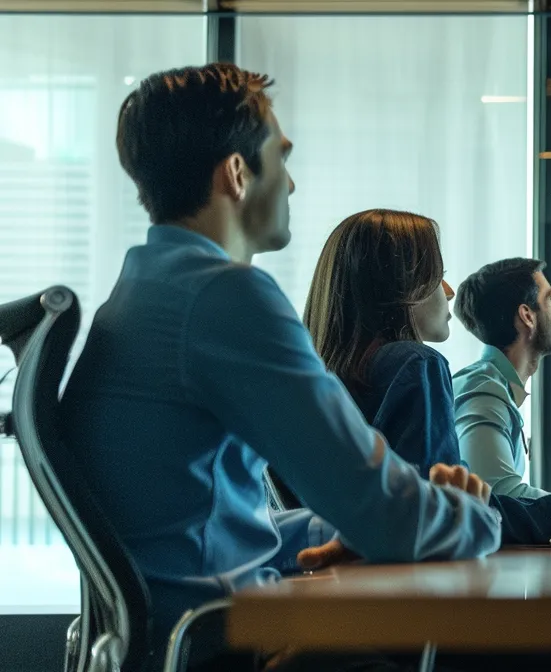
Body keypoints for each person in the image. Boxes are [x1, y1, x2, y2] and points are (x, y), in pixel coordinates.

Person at [58, 63, 500, 659]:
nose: (289, 184)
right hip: (225, 644)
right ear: (238, 173)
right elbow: (380, 507)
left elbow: (197, 528)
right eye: (281, 157)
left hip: (171, 637)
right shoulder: (225, 296)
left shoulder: (141, 290)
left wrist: (329, 530)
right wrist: (474, 516)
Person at [302, 208, 551, 544]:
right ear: (400, 287)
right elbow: (453, 507)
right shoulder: (417, 364)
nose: (447, 291)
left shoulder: (327, 374)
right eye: (436, 277)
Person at [452, 257, 551, 499]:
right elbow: (499, 493)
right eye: (550, 300)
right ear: (527, 315)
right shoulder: (483, 392)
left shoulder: (496, 386)